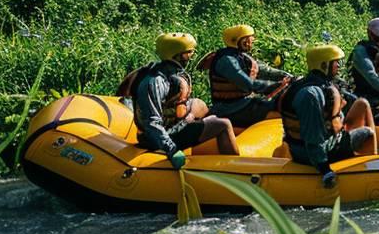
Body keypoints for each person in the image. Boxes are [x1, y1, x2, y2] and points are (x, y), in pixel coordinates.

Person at [119, 32, 238, 167]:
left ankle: (208, 157)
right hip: (159, 139)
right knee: (223, 124)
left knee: (201, 106)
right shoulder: (155, 81)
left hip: (173, 128)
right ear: (177, 55)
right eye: (188, 53)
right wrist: (172, 149)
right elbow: (152, 122)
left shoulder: (169, 72)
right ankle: (234, 168)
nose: (191, 56)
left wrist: (192, 115)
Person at [278, 44, 377, 187]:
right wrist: (325, 170)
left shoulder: (305, 85)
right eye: (335, 62)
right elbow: (313, 138)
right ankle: (370, 174)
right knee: (368, 133)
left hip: (301, 148)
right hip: (312, 154)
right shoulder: (311, 95)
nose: (338, 66)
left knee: (362, 104)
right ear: (324, 65)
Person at [197, 23, 293, 128]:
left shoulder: (241, 56)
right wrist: (274, 85)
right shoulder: (226, 61)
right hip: (229, 109)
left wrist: (290, 77)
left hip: (243, 104)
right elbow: (246, 84)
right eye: (250, 39)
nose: (252, 41)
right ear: (243, 41)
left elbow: (267, 71)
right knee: (281, 108)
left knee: (282, 103)